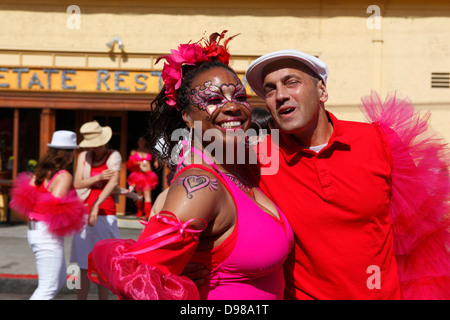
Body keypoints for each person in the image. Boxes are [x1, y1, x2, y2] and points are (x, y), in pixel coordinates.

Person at [87, 31, 294, 300]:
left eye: (240, 97)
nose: (232, 107)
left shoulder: (240, 171)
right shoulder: (198, 186)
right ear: (186, 116)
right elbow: (138, 282)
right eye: (213, 100)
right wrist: (176, 286)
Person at [242, 49, 450, 299]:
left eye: (292, 82)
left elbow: (422, 236)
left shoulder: (379, 141)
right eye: (270, 89)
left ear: (322, 91)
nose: (280, 95)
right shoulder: (255, 160)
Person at [9, 130, 86, 300]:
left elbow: (29, 200)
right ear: (69, 155)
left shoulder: (40, 173)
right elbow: (56, 207)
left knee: (57, 281)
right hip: (46, 235)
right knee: (48, 288)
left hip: (35, 231)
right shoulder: (64, 176)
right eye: (73, 151)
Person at [70, 120, 122, 300]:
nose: (96, 148)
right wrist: (98, 177)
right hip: (83, 211)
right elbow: (77, 183)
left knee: (103, 262)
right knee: (81, 263)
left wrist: (96, 205)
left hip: (105, 211)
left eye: (98, 144)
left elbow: (113, 183)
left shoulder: (114, 155)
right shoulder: (83, 156)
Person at [126, 136, 159, 219]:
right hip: (138, 175)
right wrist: (137, 163)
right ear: (137, 142)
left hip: (148, 175)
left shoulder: (148, 151)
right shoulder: (134, 152)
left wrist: (155, 162)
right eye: (140, 141)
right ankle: (140, 210)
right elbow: (130, 163)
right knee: (139, 195)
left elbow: (155, 158)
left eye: (143, 141)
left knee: (147, 194)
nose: (142, 143)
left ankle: (148, 214)